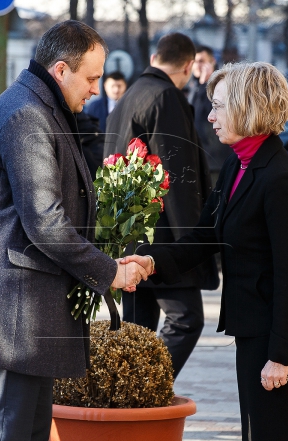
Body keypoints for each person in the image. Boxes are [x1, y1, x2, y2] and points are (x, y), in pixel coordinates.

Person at [0, 21, 150, 441]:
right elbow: (46, 223)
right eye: (91, 78)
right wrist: (109, 272)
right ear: (61, 70)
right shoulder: (26, 117)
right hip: (15, 317)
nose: (96, 89)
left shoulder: (40, 107)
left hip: (28, 317)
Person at [123, 62, 288, 441]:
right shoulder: (239, 165)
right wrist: (151, 261)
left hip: (276, 333)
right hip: (253, 326)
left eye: (218, 107)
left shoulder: (280, 178)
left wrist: (280, 356)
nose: (210, 115)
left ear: (247, 108)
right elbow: (205, 235)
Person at [104, 33, 219, 379]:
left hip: (128, 235)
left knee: (137, 331)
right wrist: (192, 251)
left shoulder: (127, 98)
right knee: (186, 320)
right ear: (187, 66)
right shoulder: (167, 97)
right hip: (164, 240)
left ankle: (129, 405)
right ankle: (145, 388)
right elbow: (179, 177)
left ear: (155, 57)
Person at [188, 45, 233, 177]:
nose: (197, 66)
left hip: (215, 160)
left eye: (201, 61)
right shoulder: (194, 86)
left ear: (212, 61)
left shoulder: (219, 86)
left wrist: (204, 84)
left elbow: (208, 110)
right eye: (194, 62)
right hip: (201, 158)